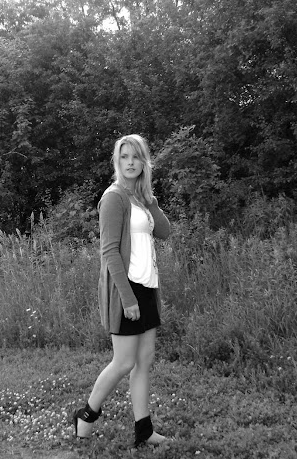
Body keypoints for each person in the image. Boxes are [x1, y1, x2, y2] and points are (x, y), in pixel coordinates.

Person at [72, 133, 171, 447]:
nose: (130, 162)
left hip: (147, 286)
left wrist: (149, 199)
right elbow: (110, 252)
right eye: (124, 157)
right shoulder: (113, 197)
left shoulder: (140, 198)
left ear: (144, 162)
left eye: (136, 157)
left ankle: (144, 430)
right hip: (125, 289)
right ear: (117, 162)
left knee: (144, 360)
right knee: (125, 361)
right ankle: (86, 415)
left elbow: (165, 231)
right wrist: (127, 299)